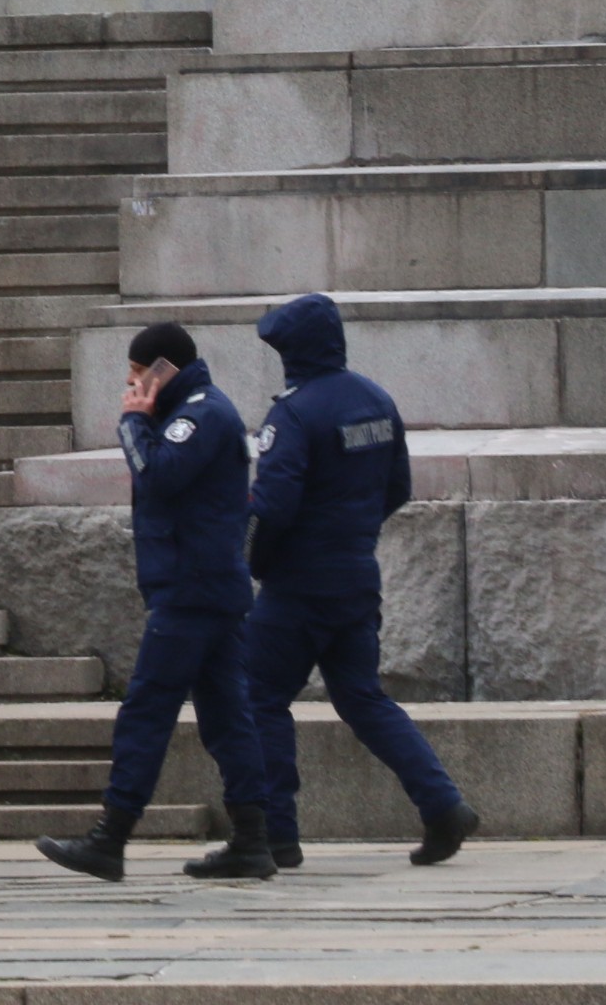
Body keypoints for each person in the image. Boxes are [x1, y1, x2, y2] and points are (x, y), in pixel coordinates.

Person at [245, 293, 479, 870]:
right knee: (362, 698)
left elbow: (273, 507)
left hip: (298, 586)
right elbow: (398, 487)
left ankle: (277, 834)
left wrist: (258, 563)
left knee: (259, 698)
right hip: (356, 576)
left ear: (293, 352)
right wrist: (353, 534)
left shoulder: (294, 414)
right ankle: (442, 805)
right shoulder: (376, 399)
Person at [37, 322, 277, 883]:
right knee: (226, 716)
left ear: (165, 370)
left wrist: (131, 422)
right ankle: (252, 839)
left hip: (192, 590)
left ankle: (111, 837)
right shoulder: (190, 412)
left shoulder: (200, 414)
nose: (131, 384)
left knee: (147, 708)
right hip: (205, 587)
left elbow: (158, 474)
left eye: (138, 374)